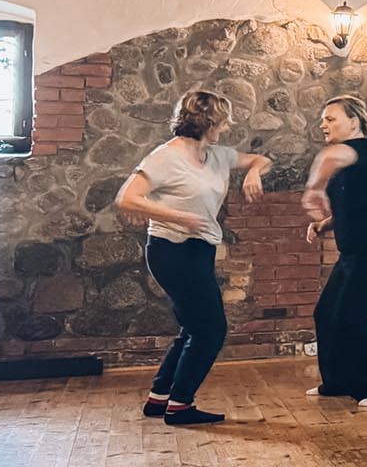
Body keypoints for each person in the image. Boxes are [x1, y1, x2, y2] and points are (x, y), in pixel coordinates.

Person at [114, 90, 272, 426]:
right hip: (171, 250)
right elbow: (127, 198)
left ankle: (160, 399)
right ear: (209, 121)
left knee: (194, 326)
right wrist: (177, 217)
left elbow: (260, 159)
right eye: (223, 119)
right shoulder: (165, 157)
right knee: (211, 329)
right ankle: (180, 405)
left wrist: (254, 172)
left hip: (200, 249)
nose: (227, 126)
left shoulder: (215, 154)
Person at [302, 95, 367, 408]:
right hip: (355, 253)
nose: (323, 124)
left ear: (354, 121)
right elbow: (359, 207)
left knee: (354, 319)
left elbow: (331, 157)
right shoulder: (351, 160)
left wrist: (314, 188)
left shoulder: (361, 151)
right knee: (326, 313)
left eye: (331, 118)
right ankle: (338, 382)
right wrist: (325, 224)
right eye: (323, 119)